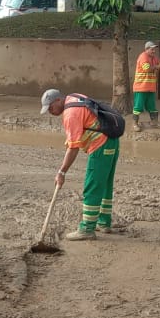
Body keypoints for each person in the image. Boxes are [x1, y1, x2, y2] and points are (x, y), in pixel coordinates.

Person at [41, 89, 121, 241]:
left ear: (58, 100)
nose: (50, 112)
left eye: (50, 108)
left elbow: (73, 148)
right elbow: (78, 133)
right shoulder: (74, 98)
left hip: (100, 145)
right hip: (112, 141)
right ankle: (104, 222)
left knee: (92, 185)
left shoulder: (70, 114)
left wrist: (62, 172)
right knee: (104, 184)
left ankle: (87, 229)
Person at [131, 41, 160, 131]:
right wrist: (158, 66)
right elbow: (148, 69)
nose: (154, 51)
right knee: (138, 106)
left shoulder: (154, 58)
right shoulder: (143, 57)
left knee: (152, 106)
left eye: (154, 49)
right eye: (152, 49)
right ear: (146, 49)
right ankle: (135, 124)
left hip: (150, 88)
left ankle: (154, 122)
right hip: (141, 87)